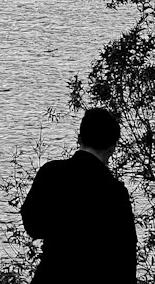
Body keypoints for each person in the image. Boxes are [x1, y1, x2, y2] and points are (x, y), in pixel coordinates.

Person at [20, 106, 137, 282]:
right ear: (112, 148)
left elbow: (32, 225)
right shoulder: (115, 191)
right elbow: (125, 256)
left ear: (79, 138)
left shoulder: (50, 173)